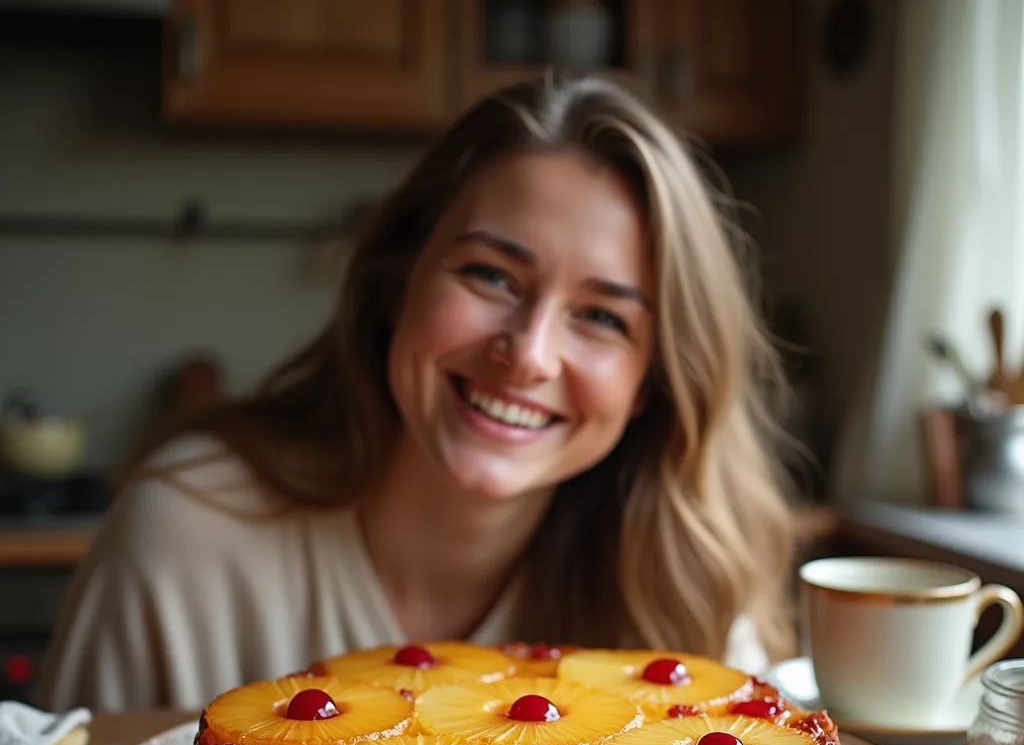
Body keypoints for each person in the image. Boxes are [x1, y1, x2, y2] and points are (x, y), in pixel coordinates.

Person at [40, 74, 797, 712]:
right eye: (490, 275)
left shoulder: (686, 585)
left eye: (602, 317)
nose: (529, 354)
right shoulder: (184, 533)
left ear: (651, 385)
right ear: (398, 278)